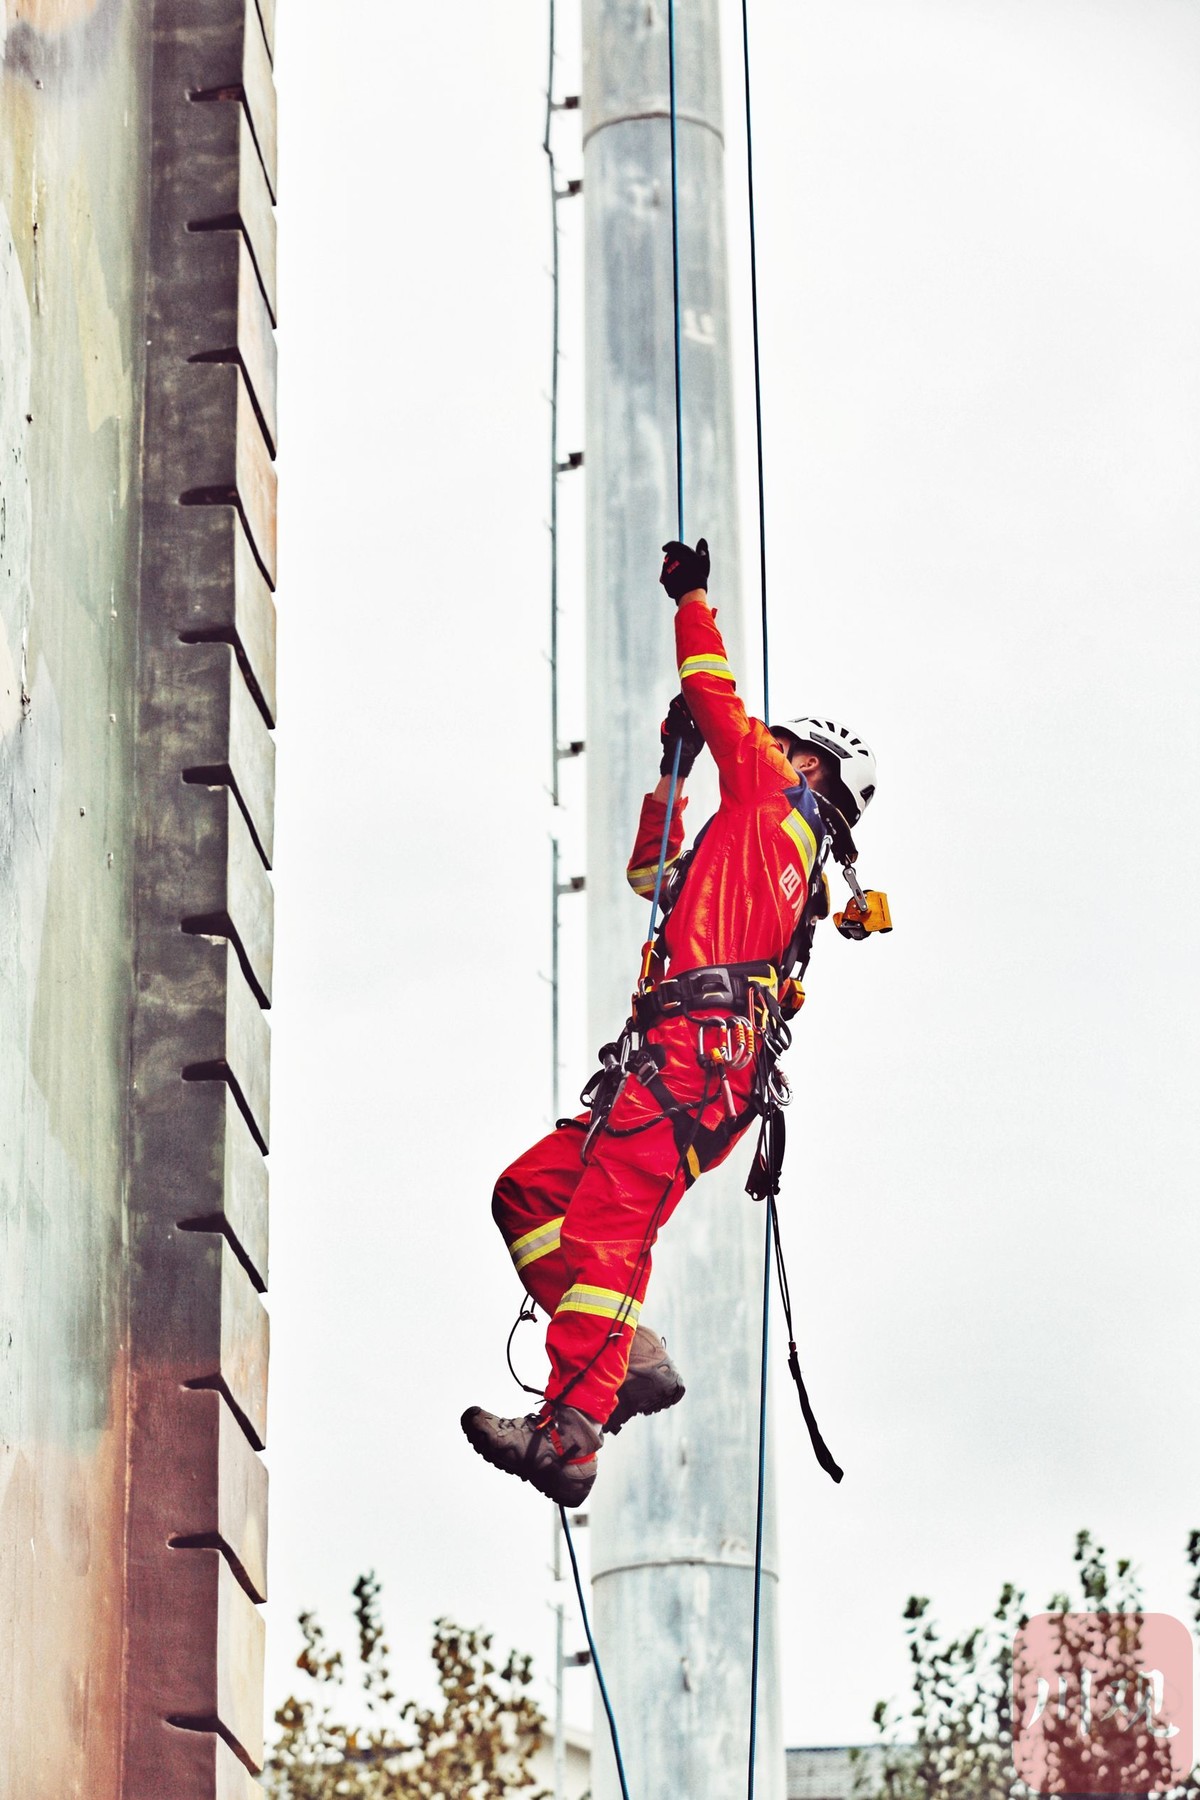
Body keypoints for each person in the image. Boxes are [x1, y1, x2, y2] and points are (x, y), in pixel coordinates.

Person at [461, 537, 879, 1505]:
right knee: (527, 1194)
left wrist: (694, 600)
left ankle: (571, 1436)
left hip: (686, 1068)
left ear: (812, 764)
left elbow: (715, 691)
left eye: (783, 742)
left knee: (608, 1239)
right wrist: (670, 770)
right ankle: (625, 1359)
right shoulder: (767, 852)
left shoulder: (776, 798)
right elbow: (653, 878)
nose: (766, 744)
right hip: (681, 1072)